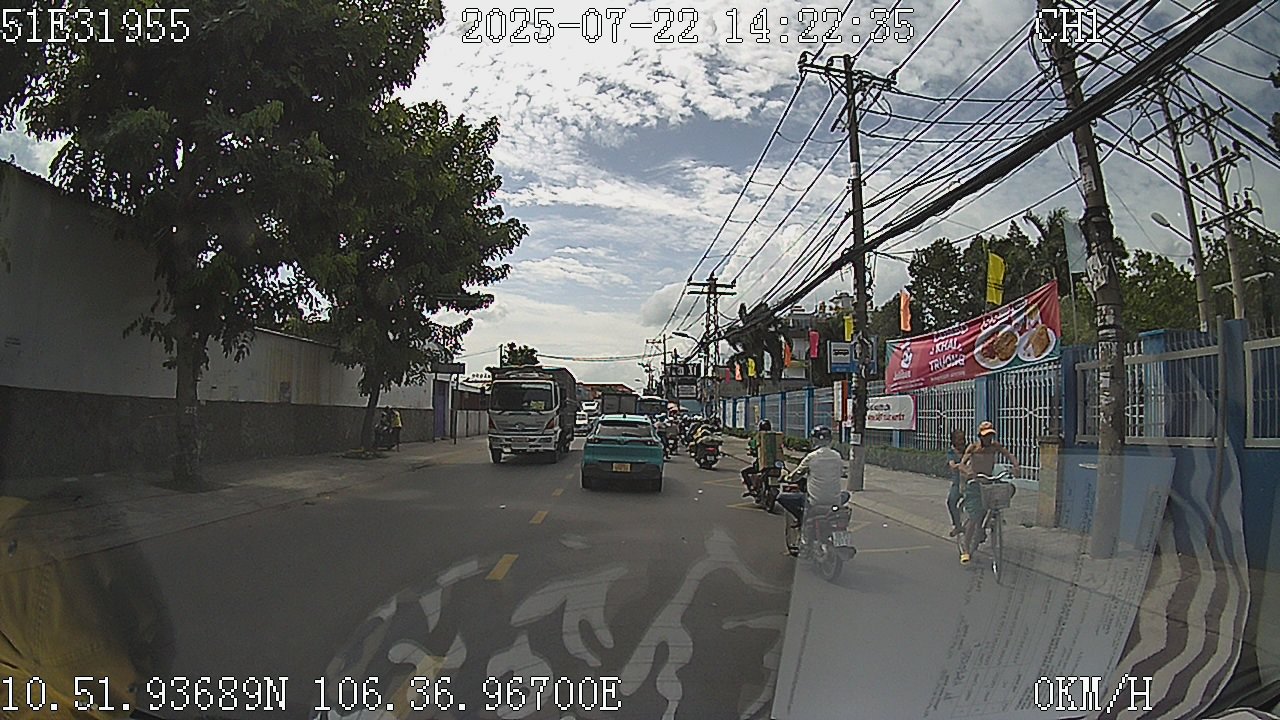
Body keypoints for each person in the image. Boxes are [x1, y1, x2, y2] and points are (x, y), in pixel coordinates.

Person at [958, 421, 1020, 564]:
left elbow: (1008, 454)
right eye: (986, 436)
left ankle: (987, 523)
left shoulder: (994, 446)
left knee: (1008, 489)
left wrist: (1016, 466)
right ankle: (966, 549)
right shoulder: (973, 448)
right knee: (974, 518)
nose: (988, 438)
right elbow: (962, 464)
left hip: (988, 481)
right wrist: (968, 471)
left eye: (990, 435)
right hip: (975, 484)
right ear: (980, 436)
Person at [776, 426, 846, 535]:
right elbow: (841, 472)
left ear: (814, 440)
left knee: (781, 497)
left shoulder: (811, 457)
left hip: (815, 501)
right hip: (835, 501)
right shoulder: (837, 456)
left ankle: (802, 518)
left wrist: (786, 477)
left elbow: (796, 475)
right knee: (846, 494)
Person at [946, 428, 968, 537]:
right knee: (951, 502)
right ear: (953, 440)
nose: (961, 442)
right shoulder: (951, 452)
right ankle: (957, 525)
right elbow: (952, 465)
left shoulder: (969, 449)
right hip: (958, 482)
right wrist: (957, 466)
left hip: (969, 481)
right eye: (959, 439)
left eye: (962, 439)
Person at [741, 419, 773, 496]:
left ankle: (751, 488)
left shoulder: (758, 437)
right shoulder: (773, 437)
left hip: (762, 464)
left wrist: (751, 451)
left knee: (744, 472)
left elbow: (753, 446)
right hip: (774, 464)